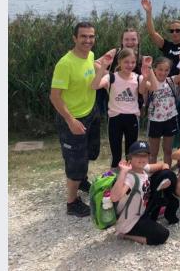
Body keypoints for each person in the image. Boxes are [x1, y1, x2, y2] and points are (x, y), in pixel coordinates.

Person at [50, 22, 113, 217]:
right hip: (73, 119)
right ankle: (72, 203)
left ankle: (82, 180)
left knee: (90, 153)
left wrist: (103, 67)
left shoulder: (91, 55)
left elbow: (93, 65)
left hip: (91, 113)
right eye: (83, 36)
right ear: (74, 38)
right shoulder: (65, 64)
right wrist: (70, 120)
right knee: (75, 162)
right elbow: (54, 96)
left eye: (91, 37)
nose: (88, 40)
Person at [111, 141, 178, 246]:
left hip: (141, 212)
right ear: (130, 158)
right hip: (129, 222)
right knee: (163, 235)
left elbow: (163, 165)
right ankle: (124, 235)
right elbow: (114, 197)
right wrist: (123, 172)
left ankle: (158, 213)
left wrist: (166, 177)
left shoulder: (143, 168)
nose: (141, 159)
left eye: (144, 156)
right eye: (137, 155)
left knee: (166, 174)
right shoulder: (130, 177)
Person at [91, 48, 149, 170]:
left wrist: (147, 74)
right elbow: (94, 86)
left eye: (132, 62)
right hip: (115, 119)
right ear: (119, 62)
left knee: (131, 154)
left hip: (132, 118)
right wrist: (103, 67)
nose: (129, 65)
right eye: (126, 62)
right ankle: (114, 182)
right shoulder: (111, 77)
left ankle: (130, 181)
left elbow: (149, 88)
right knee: (116, 155)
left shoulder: (138, 78)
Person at [143, 57, 180, 166]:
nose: (163, 72)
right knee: (153, 152)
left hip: (170, 118)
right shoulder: (149, 83)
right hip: (155, 120)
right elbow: (143, 91)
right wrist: (147, 69)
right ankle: (151, 175)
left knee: (168, 151)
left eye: (166, 70)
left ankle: (166, 172)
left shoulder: (171, 80)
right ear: (154, 69)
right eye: (160, 69)